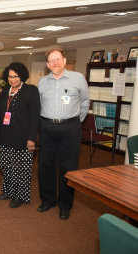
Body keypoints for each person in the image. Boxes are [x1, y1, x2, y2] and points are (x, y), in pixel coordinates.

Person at [37, 45, 89, 220]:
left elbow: (84, 104)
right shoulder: (42, 82)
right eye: (52, 60)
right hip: (46, 128)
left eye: (58, 59)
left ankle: (65, 205)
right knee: (46, 166)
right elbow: (39, 105)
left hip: (70, 129)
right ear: (48, 64)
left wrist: (73, 122)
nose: (55, 62)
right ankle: (47, 200)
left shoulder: (78, 78)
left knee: (68, 168)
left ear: (64, 61)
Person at [0, 62, 40, 208]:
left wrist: (31, 139)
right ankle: (9, 191)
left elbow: (35, 117)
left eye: (15, 76)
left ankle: (20, 195)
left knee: (21, 169)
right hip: (6, 136)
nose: (12, 79)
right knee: (6, 165)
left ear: (22, 76)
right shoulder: (5, 91)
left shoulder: (31, 90)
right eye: (10, 76)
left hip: (23, 137)